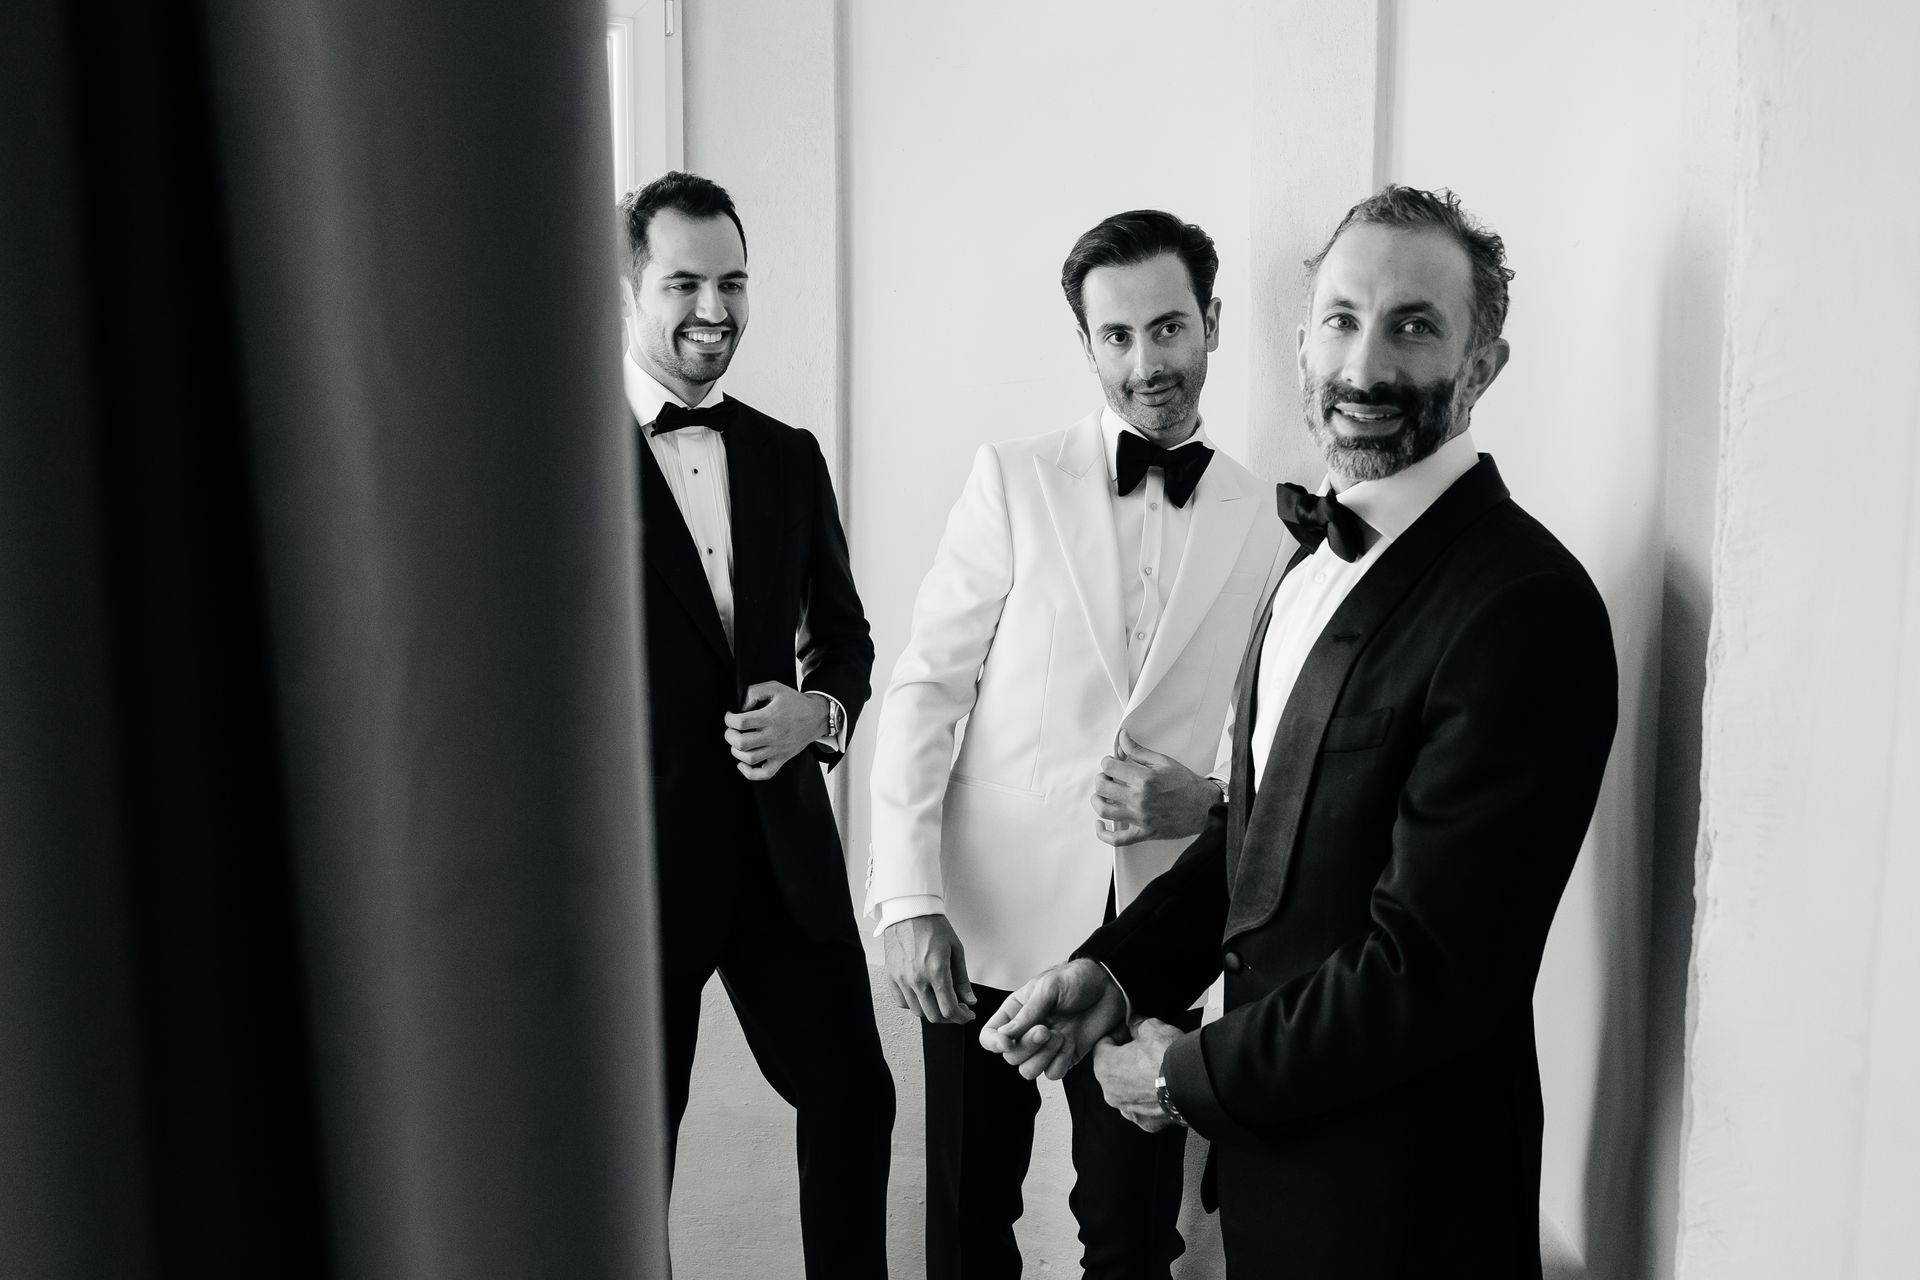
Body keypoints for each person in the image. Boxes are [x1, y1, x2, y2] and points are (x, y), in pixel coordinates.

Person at [981, 186, 1619, 1279]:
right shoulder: (1308, 560)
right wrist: (1115, 973)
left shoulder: (1524, 605)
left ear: (1485, 364)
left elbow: (1430, 968)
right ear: (1298, 336)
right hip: (1282, 1182)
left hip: (1411, 1205)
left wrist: (1190, 1075)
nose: (1365, 365)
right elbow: (1260, 850)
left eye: (1415, 325)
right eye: (1342, 318)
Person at [865, 210, 1285, 1279]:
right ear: (1088, 343)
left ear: (1213, 324)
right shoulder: (1013, 478)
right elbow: (926, 688)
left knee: (1138, 1237)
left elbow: (1275, 738)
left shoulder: (1272, 520)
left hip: (1158, 932)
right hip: (987, 925)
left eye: (1169, 328)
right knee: (967, 1224)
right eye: (1117, 336)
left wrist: (1203, 802)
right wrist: (909, 899)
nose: (1147, 362)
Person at [620, 171, 892, 1278]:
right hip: (635, 870)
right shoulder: (550, 460)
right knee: (634, 1150)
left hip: (782, 854)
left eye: (732, 281)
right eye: (684, 281)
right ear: (630, 286)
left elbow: (847, 637)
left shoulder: (787, 453)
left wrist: (814, 715)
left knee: (857, 1097)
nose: (713, 308)